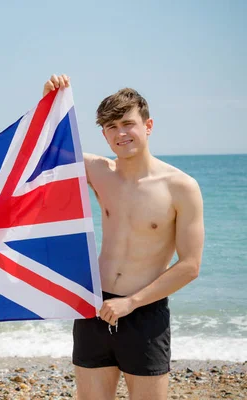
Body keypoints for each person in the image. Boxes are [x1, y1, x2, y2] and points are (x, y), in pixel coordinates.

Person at [42, 74, 205, 400]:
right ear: (104, 134)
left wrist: (131, 303)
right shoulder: (99, 171)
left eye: (127, 123)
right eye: (111, 127)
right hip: (94, 307)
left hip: (144, 314)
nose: (121, 133)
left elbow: (190, 265)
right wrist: (49, 101)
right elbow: (45, 151)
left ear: (148, 125)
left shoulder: (180, 187)